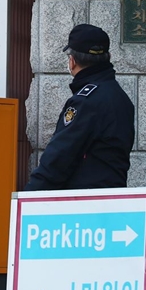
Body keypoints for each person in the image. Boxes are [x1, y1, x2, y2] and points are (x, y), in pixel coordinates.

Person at [25, 24, 135, 191]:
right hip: (113, 198)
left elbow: (59, 157)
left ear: (72, 60)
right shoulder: (119, 96)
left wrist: (31, 196)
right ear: (108, 56)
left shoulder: (85, 101)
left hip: (85, 203)